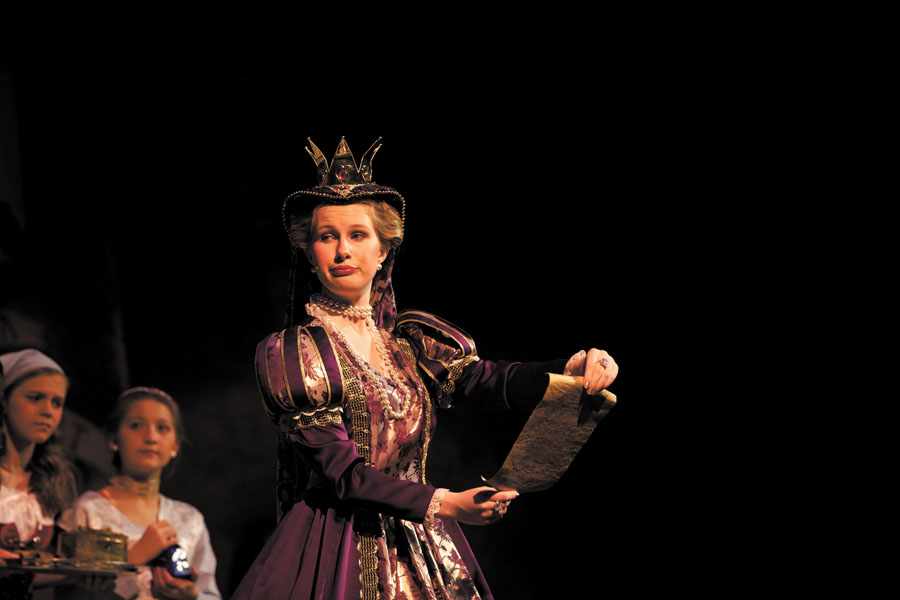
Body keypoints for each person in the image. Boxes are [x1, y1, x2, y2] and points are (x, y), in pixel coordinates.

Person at [231, 137, 619, 600]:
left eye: (357, 235)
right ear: (309, 254)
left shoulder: (408, 341)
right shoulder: (295, 353)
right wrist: (445, 503)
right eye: (326, 237)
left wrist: (570, 368)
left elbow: (487, 380)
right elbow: (344, 475)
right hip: (337, 541)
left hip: (420, 539)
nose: (342, 251)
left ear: (383, 250)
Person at [58, 386, 221, 599]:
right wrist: (132, 557)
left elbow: (210, 593)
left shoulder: (189, 519)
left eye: (162, 428)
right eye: (136, 425)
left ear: (175, 445)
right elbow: (64, 587)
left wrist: (191, 595)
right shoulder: (87, 510)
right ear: (113, 439)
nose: (150, 437)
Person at [0, 348, 79, 599]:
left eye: (57, 403)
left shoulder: (50, 480)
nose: (48, 411)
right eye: (35, 398)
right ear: (4, 400)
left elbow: (30, 575)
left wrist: (80, 575)